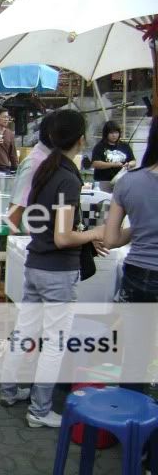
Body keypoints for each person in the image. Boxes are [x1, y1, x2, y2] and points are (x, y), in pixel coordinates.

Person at [0, 109, 106, 428]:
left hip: (36, 263)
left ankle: (9, 390)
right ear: (80, 138)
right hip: (58, 270)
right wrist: (95, 233)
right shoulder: (67, 177)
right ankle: (40, 410)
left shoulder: (44, 168)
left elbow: (36, 223)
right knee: (54, 343)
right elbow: (63, 236)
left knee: (25, 332)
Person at [104, 116, 158, 393]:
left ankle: (130, 425)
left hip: (137, 275)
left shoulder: (128, 183)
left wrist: (141, 227)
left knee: (134, 355)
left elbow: (111, 239)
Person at [7, 112, 57, 233]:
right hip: (30, 237)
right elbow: (18, 205)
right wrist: (10, 244)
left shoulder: (48, 158)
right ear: (52, 135)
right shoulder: (36, 162)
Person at [91, 120, 136, 193]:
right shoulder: (99, 147)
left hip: (121, 181)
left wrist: (129, 164)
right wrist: (113, 164)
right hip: (104, 182)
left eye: (116, 132)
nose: (114, 135)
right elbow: (95, 163)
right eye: (111, 133)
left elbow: (133, 161)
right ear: (106, 134)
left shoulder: (125, 146)